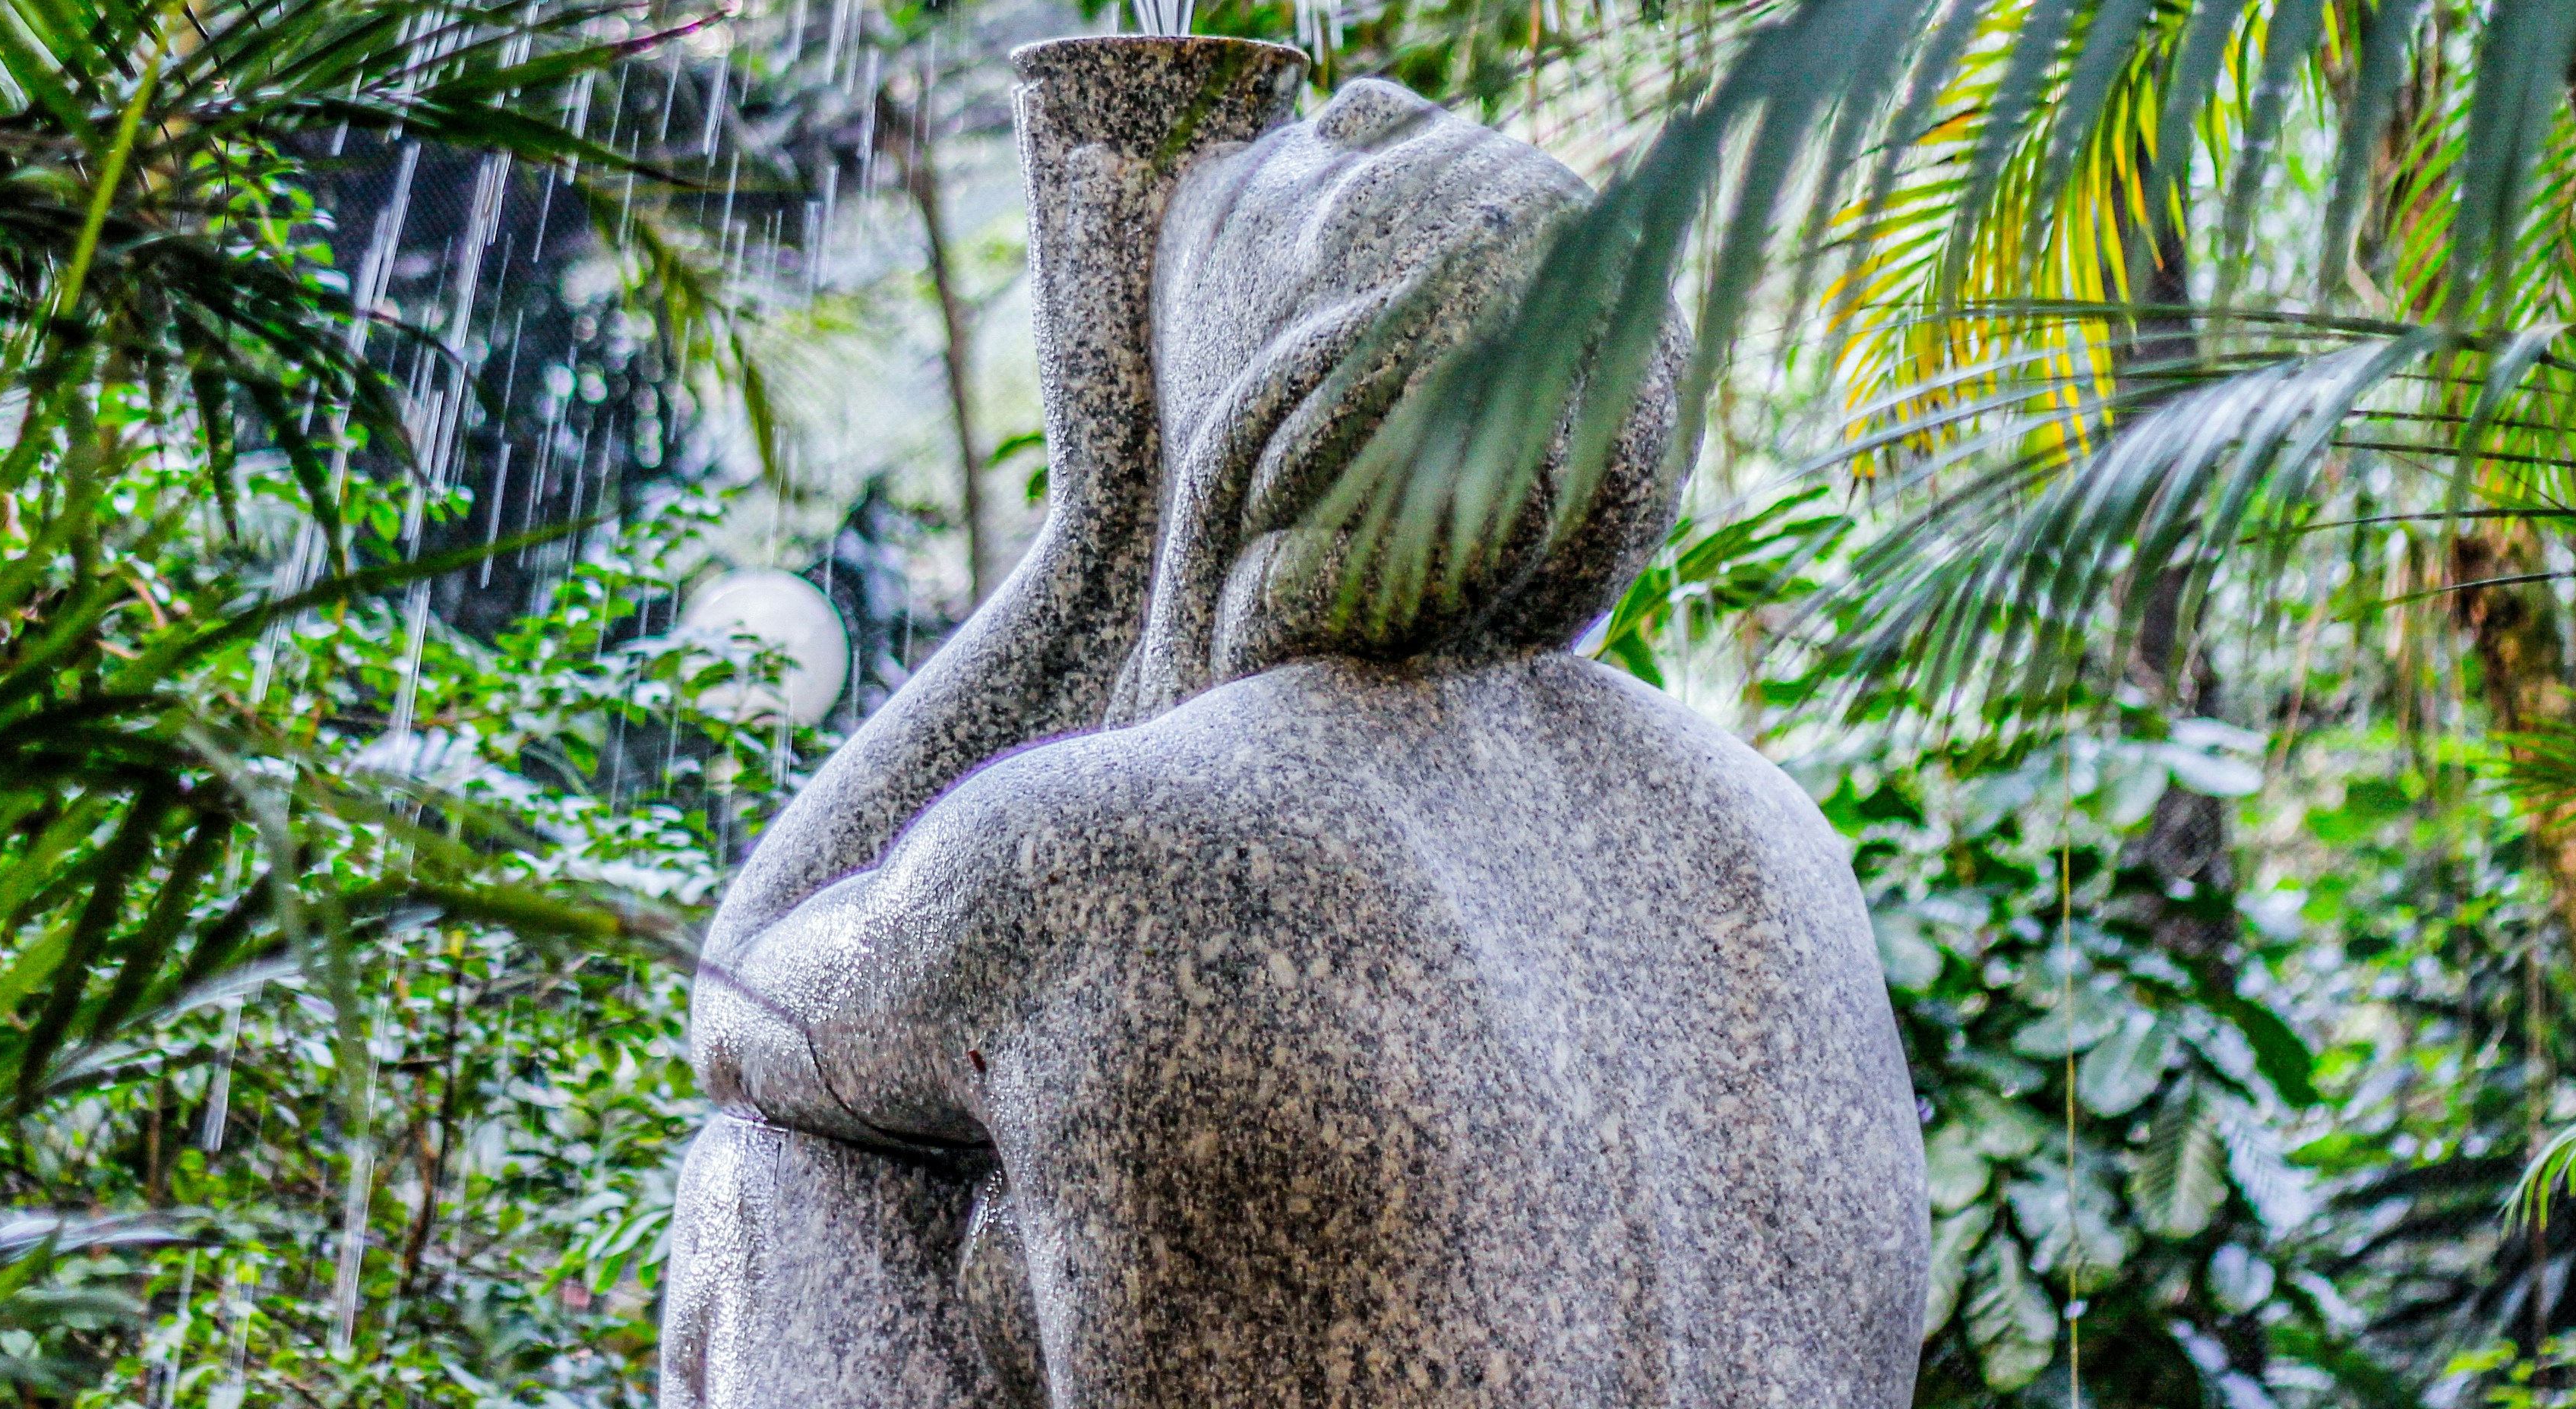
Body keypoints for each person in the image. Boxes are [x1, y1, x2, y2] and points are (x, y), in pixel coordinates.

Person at [658, 71, 1926, 1408]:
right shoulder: (1778, 841)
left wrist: (1105, 537)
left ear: (1294, 360)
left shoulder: (1104, 848)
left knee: (769, 1174)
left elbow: (750, 1004)